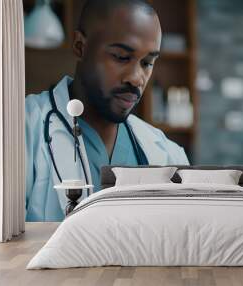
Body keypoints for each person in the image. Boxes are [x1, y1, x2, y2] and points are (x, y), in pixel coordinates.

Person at [25, 0, 189, 221]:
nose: (136, 78)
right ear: (80, 46)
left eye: (147, 63)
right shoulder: (21, 127)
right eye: (121, 57)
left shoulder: (170, 154)